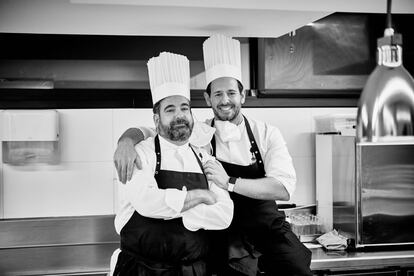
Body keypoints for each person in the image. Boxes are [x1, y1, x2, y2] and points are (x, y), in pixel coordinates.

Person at [114, 35, 312, 276]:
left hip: (267, 229)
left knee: (297, 269)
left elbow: (282, 187)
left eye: (231, 92)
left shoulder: (266, 133)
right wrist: (126, 139)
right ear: (208, 99)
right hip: (224, 236)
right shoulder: (200, 132)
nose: (225, 100)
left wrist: (228, 182)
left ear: (243, 95)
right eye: (217, 94)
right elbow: (162, 132)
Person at [110, 51, 233, 276]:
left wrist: (175, 213)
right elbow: (146, 202)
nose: (180, 115)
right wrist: (199, 197)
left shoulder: (205, 158)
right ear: (156, 119)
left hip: (193, 271)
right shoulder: (139, 153)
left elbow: (224, 214)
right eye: (170, 109)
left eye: (185, 108)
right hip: (141, 270)